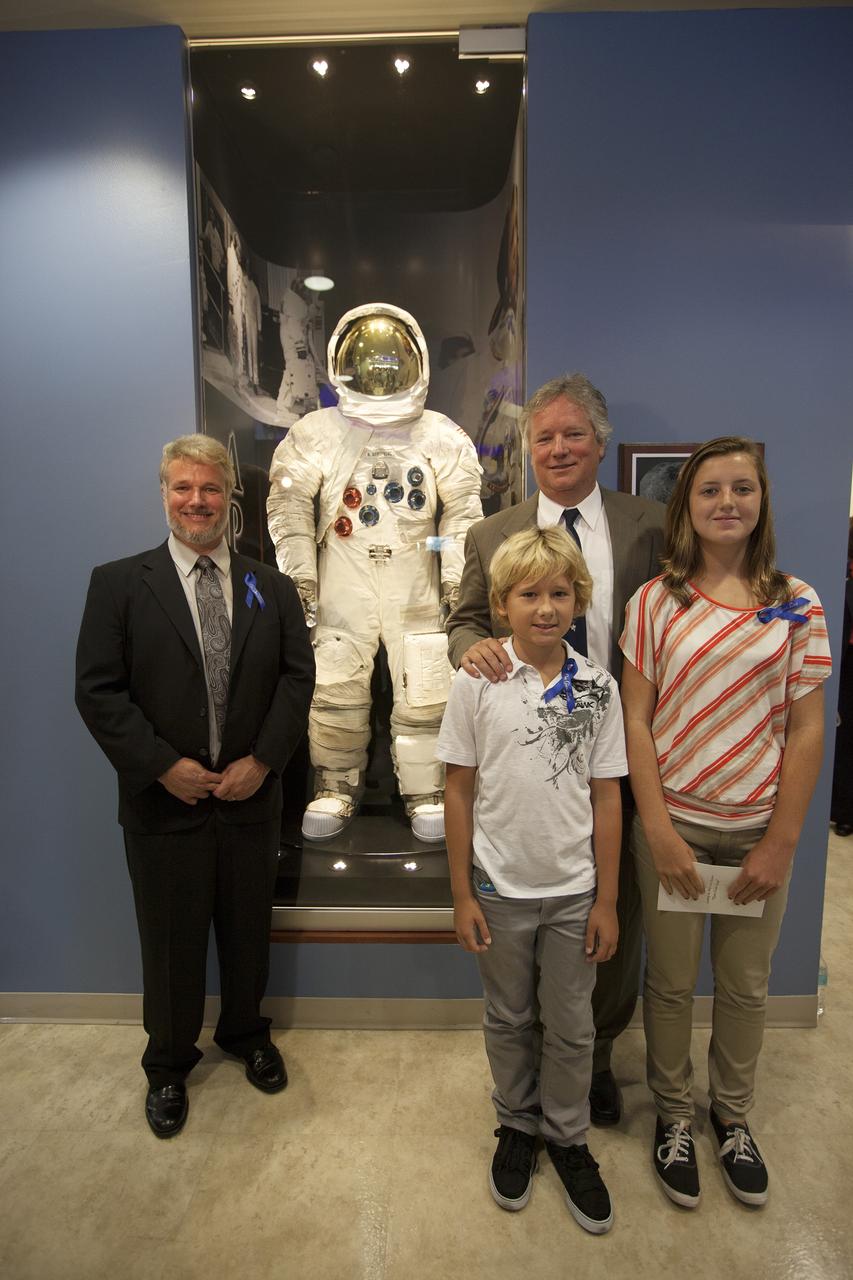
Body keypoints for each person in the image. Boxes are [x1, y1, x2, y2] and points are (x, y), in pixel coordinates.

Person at [75, 435, 315, 1138]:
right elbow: (98, 692)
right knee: (170, 941)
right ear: (163, 494)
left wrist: (264, 762)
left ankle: (245, 1034)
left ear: (228, 499)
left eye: (209, 488)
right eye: (182, 488)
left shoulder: (268, 588)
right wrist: (160, 766)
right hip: (162, 803)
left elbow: (297, 681)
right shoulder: (118, 584)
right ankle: (169, 1062)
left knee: (247, 932)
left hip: (249, 800)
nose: (196, 502)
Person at [447, 372, 665, 1126]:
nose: (559, 448)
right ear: (527, 450)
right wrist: (474, 649)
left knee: (614, 915)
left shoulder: (653, 525)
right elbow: (463, 619)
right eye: (544, 437)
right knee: (520, 941)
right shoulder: (489, 532)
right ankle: (526, 1069)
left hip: (619, 751)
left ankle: (594, 1056)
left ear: (600, 445)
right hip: (521, 753)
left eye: (574, 434)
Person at [619, 436, 831, 1208]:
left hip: (754, 834)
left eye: (742, 488)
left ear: (761, 501)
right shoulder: (655, 602)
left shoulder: (796, 603)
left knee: (744, 986)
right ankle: (673, 1115)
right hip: (672, 827)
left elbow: (807, 730)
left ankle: (730, 1117)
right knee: (670, 984)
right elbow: (634, 724)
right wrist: (659, 830)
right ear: (686, 505)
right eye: (709, 490)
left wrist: (781, 843)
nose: (726, 503)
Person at [439, 526, 626, 1234]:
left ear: (578, 601)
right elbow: (457, 791)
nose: (545, 608)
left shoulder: (596, 687)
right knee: (510, 1017)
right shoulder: (475, 681)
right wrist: (460, 893)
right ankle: (516, 1126)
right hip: (498, 888)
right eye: (529, 595)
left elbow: (606, 796)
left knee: (571, 1024)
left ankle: (568, 1136)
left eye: (559, 593)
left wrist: (606, 898)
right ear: (501, 604)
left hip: (574, 891)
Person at [267, 302, 482, 843]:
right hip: (342, 580)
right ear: (344, 366)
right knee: (335, 689)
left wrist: (458, 583)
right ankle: (336, 786)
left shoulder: (440, 435)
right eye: (369, 364)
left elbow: (462, 518)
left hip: (418, 583)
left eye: (390, 363)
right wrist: (300, 584)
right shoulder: (314, 432)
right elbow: (289, 513)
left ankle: (427, 791)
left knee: (426, 689)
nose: (380, 375)